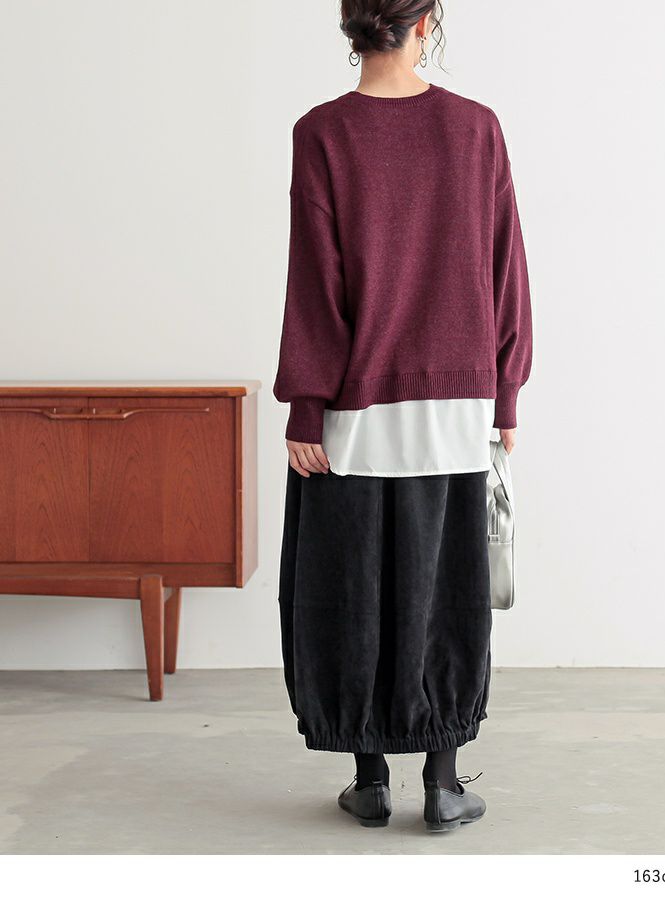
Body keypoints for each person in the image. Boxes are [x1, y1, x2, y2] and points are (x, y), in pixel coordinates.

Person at [273, 0, 532, 833]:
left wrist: (307, 408)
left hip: (355, 409)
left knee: (352, 590)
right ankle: (445, 786)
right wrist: (505, 392)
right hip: (457, 404)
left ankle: (371, 780)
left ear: (355, 27)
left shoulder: (321, 133)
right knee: (447, 593)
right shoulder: (476, 128)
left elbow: (315, 284)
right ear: (425, 25)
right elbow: (505, 267)